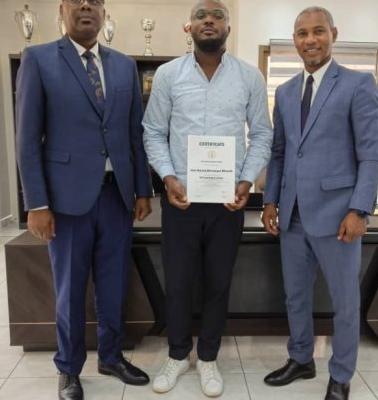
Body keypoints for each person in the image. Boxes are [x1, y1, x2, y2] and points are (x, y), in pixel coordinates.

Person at [15, 0, 153, 399]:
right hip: (65, 200)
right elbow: (27, 139)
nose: (87, 5)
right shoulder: (39, 59)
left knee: (113, 284)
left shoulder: (124, 66)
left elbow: (134, 134)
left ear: (104, 12)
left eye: (95, 0)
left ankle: (111, 356)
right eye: (78, 0)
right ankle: (69, 368)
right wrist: (36, 203)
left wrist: (142, 188)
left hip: (116, 196)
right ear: (63, 9)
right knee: (70, 290)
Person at [142, 0, 272, 396]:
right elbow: (153, 131)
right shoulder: (168, 75)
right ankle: (178, 355)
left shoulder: (249, 77)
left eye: (218, 16)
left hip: (227, 202)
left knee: (218, 282)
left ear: (228, 28)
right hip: (181, 200)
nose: (209, 21)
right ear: (190, 27)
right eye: (201, 16)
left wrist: (247, 180)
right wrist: (168, 178)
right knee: (179, 282)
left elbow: (262, 134)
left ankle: (209, 358)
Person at [261, 7, 378, 400]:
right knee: (295, 295)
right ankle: (301, 358)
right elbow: (280, 153)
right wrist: (270, 201)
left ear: (333, 34)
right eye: (302, 33)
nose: (310, 39)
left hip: (338, 216)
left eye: (318, 31)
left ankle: (341, 374)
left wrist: (360, 210)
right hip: (292, 215)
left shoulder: (358, 85)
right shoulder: (285, 92)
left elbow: (370, 155)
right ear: (294, 40)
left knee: (344, 301)